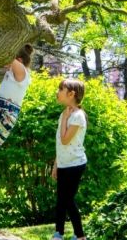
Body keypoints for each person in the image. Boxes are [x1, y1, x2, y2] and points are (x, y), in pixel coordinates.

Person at [51, 78, 87, 240]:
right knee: (61, 200)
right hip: (64, 163)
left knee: (68, 200)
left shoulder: (77, 116)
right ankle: (59, 233)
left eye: (60, 89)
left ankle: (80, 236)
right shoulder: (64, 113)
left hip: (75, 164)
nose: (57, 92)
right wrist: (56, 164)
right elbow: (60, 144)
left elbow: (65, 139)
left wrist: (65, 119)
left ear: (71, 94)